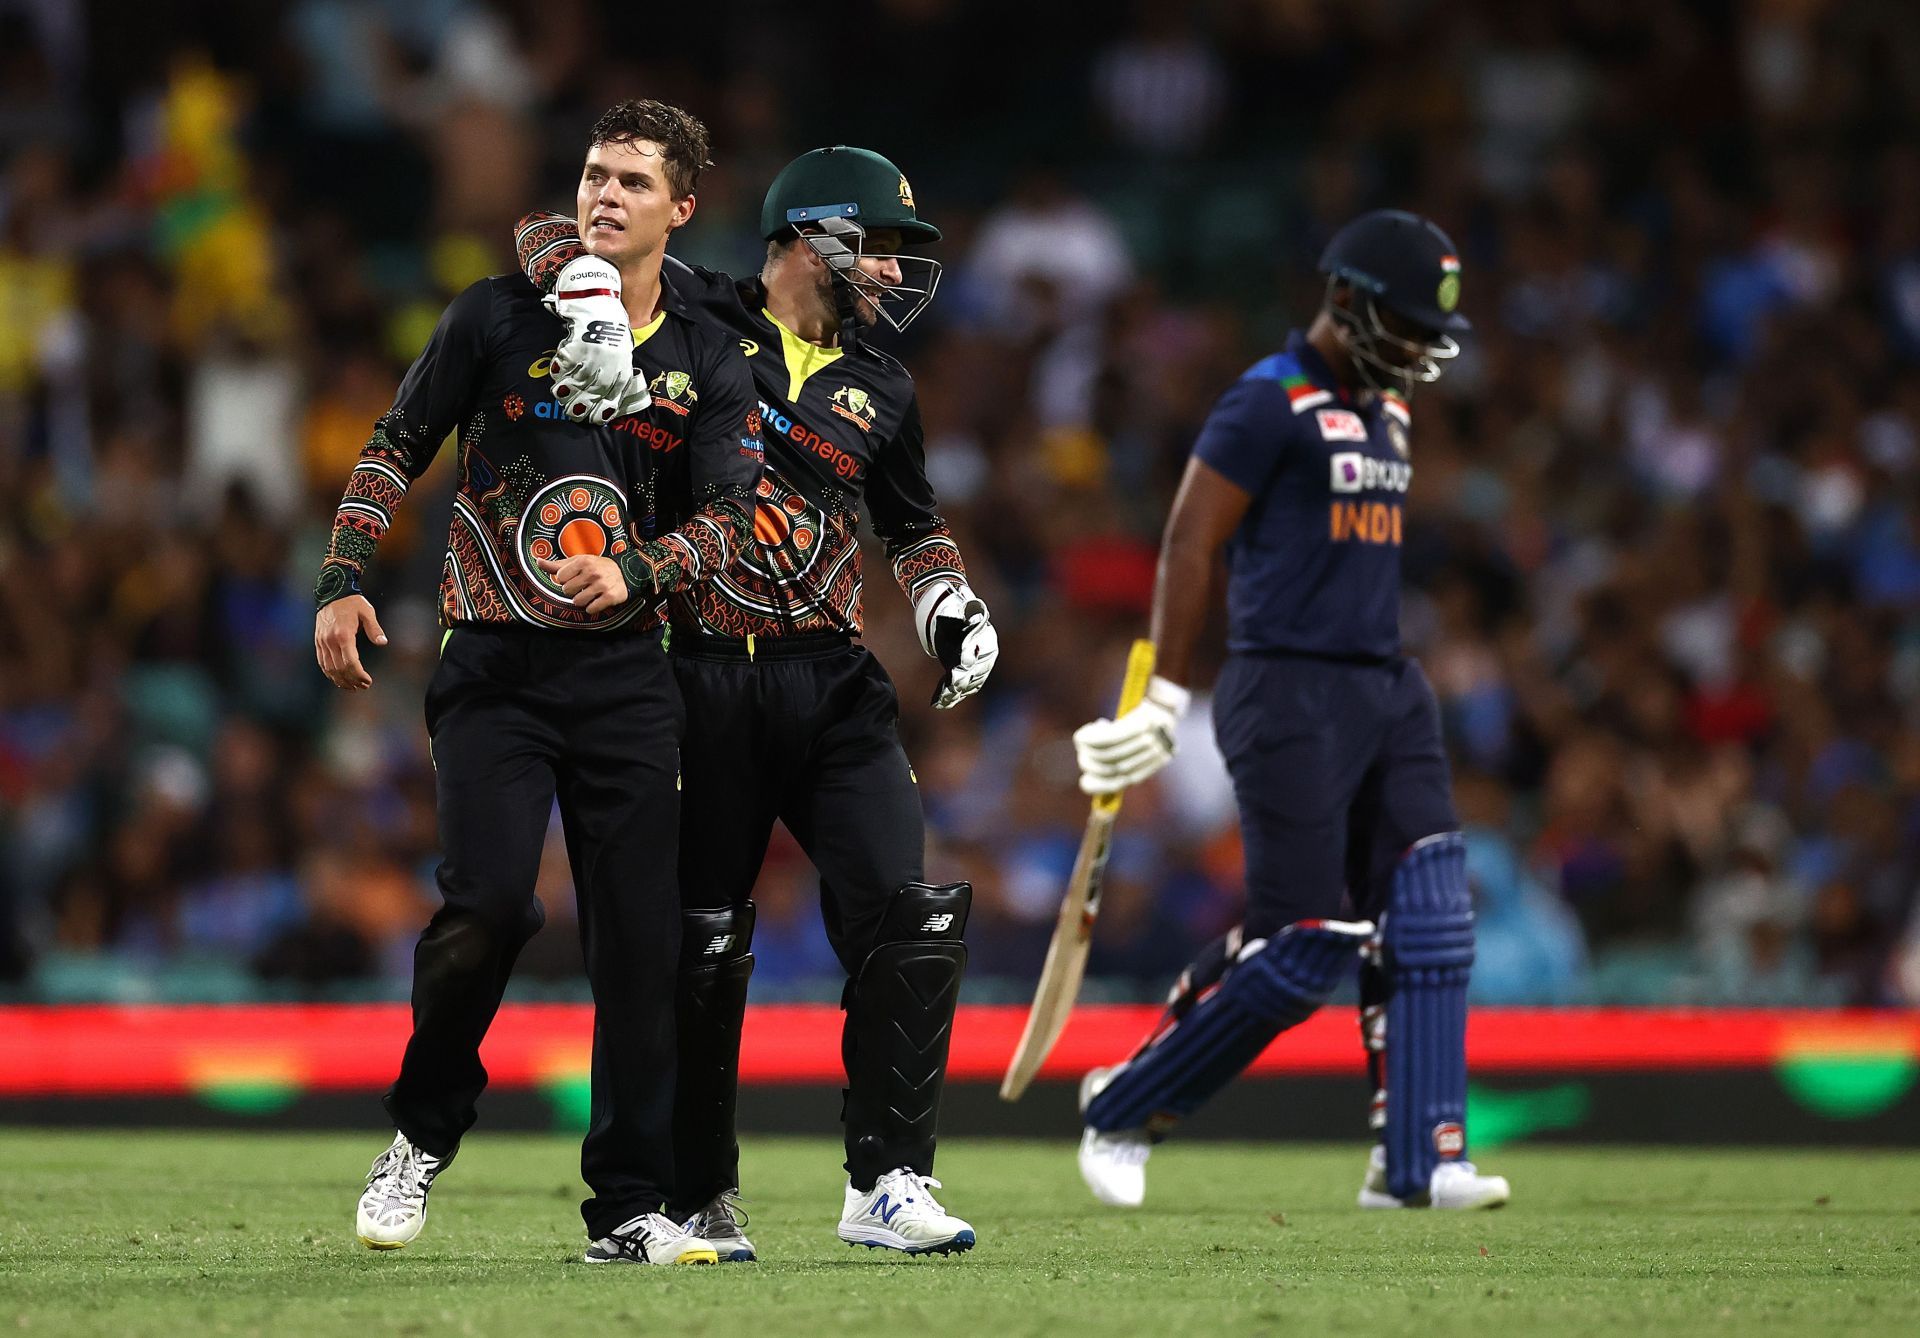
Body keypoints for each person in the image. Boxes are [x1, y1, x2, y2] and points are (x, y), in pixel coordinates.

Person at [511, 144, 996, 1259]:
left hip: (832, 683)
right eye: (876, 246)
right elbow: (553, 243)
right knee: (695, 941)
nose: (892, 273)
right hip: (693, 672)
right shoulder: (695, 308)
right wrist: (588, 295)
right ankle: (694, 1194)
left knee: (908, 911)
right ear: (809, 234)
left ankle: (889, 1181)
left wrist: (949, 608)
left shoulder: (885, 383)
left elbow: (913, 525)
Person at [315, 99, 763, 1265]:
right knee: (492, 909)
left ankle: (628, 1212)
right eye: (592, 175)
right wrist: (343, 578)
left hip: (630, 675)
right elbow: (392, 443)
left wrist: (642, 572)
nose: (603, 195)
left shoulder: (708, 352)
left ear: (681, 209)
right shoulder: (498, 315)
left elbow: (733, 521)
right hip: (493, 668)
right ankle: (418, 1136)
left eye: (631, 181)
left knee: (640, 948)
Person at [1069, 211, 1510, 1212]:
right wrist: (1167, 694)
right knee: (1307, 945)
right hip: (1287, 692)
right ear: (1345, 301)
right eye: (1402, 325)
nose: (1417, 351)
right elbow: (1189, 542)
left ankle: (1417, 1161)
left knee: (1432, 911)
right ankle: (1127, 1107)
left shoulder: (1391, 411)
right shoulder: (1265, 403)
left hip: (1388, 687)